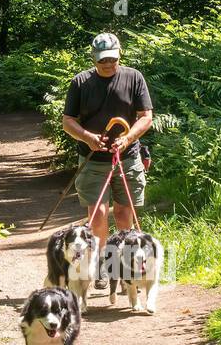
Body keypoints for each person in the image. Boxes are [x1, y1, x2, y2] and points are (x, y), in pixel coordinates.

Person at [61, 31, 154, 289]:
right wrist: (88, 137)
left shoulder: (134, 77)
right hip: (92, 159)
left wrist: (127, 138)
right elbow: (68, 121)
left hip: (128, 156)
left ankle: (125, 268)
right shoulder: (80, 82)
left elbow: (146, 116)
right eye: (103, 60)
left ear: (119, 55)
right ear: (94, 58)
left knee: (125, 213)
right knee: (98, 214)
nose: (108, 64)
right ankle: (101, 264)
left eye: (112, 59)